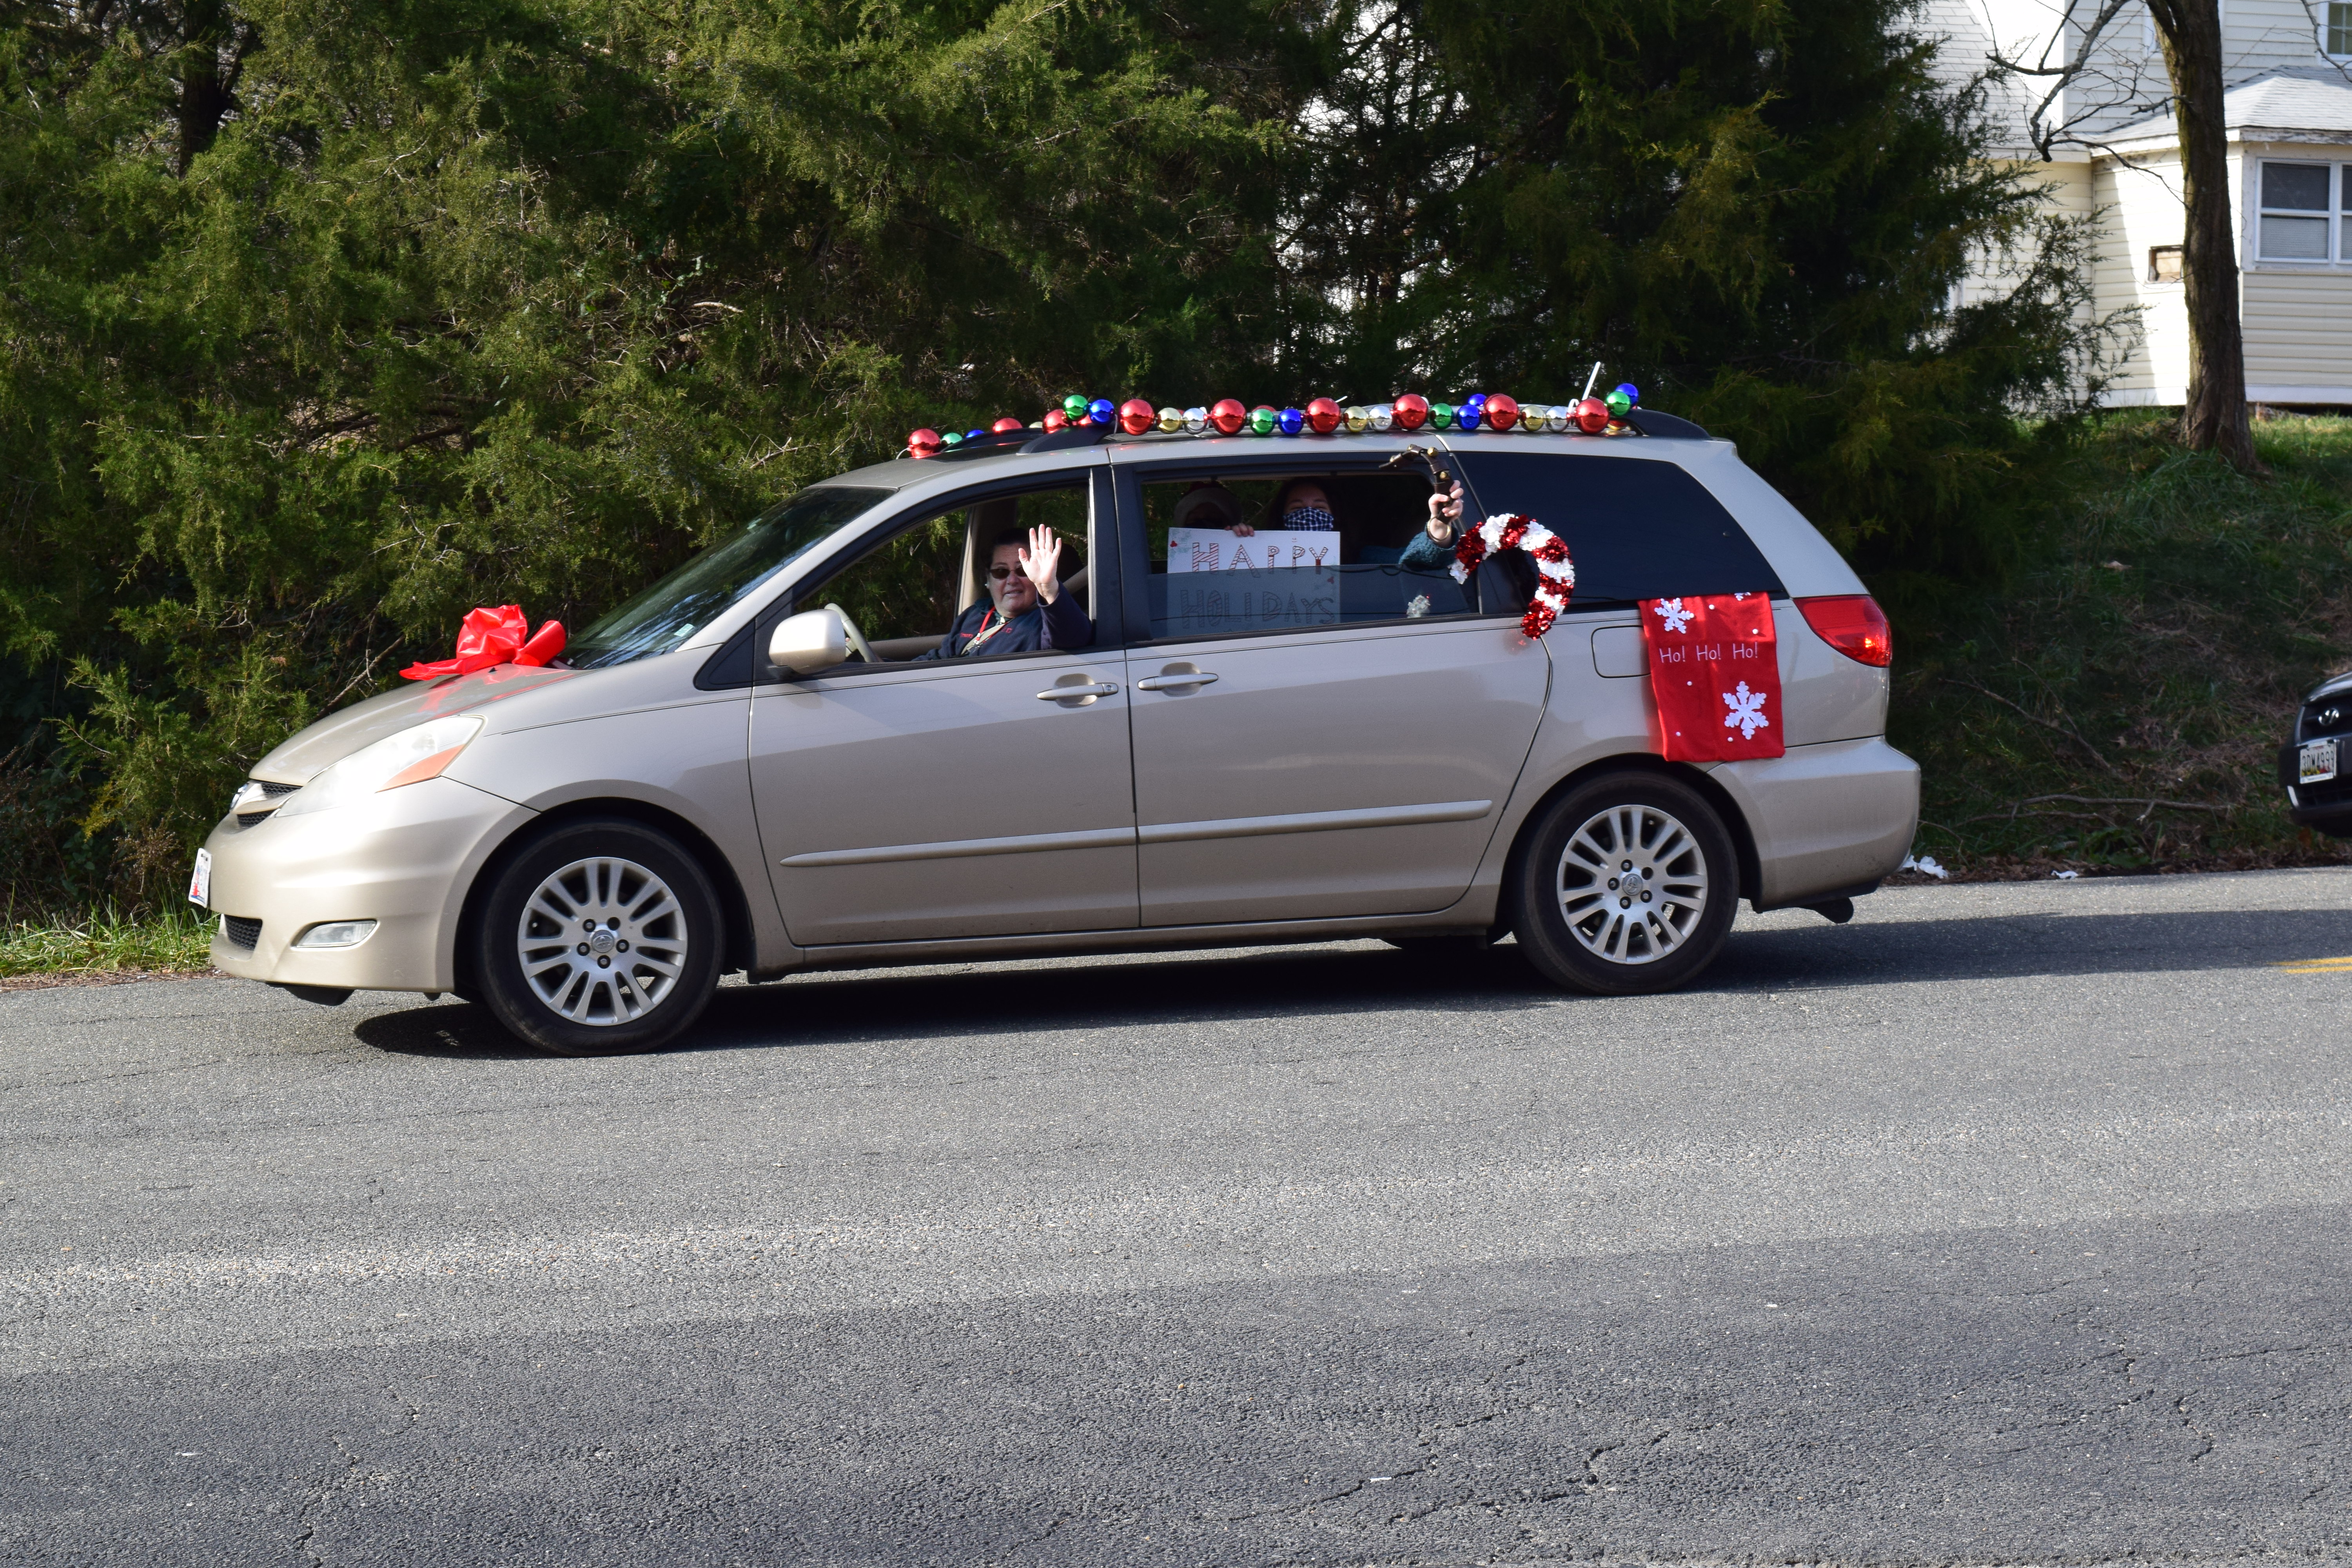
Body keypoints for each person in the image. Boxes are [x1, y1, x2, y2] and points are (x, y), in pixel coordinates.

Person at [918, 523, 1093, 659]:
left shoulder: (1046, 624)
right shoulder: (974, 614)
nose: (1012, 581)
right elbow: (941, 658)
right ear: (988, 579)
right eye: (1000, 572)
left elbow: (1074, 638)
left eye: (1022, 571)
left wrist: (1048, 587)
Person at [1223, 478, 1338, 537]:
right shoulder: (1264, 552)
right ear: (1282, 516)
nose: (1309, 515)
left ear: (1335, 515)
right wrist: (1238, 540)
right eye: (1297, 508)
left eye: (1320, 507)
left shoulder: (1352, 564)